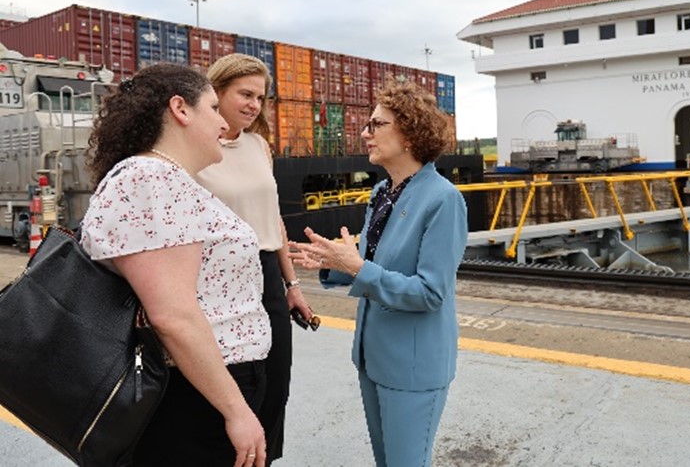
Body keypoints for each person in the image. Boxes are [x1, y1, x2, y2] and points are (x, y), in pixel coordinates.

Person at [80, 63, 271, 467]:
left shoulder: (156, 177)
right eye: (214, 107)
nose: (223, 122)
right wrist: (235, 410)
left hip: (200, 383)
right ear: (181, 109)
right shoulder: (152, 180)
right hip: (197, 391)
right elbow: (173, 316)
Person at [289, 81, 467, 467]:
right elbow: (373, 264)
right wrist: (335, 263)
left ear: (409, 134)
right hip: (373, 357)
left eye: (376, 124)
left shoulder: (443, 199)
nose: (365, 133)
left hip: (413, 365)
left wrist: (356, 266)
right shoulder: (383, 193)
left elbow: (430, 293)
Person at [196, 53, 314, 464]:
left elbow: (273, 219)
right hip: (217, 281)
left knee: (276, 386)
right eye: (245, 94)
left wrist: (292, 285)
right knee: (232, 391)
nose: (253, 105)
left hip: (266, 276)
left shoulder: (260, 145)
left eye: (260, 98)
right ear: (217, 92)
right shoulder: (195, 147)